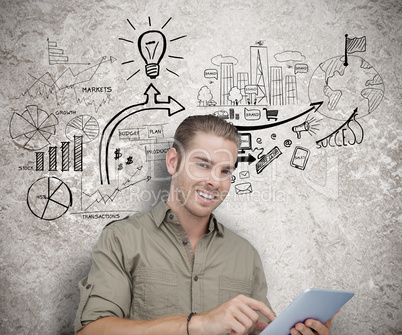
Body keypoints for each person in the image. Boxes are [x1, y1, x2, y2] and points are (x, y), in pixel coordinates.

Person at [74, 114, 335, 335]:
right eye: (203, 165)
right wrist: (198, 323)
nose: (215, 181)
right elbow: (92, 330)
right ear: (173, 162)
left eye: (225, 171)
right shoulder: (121, 239)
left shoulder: (245, 255)